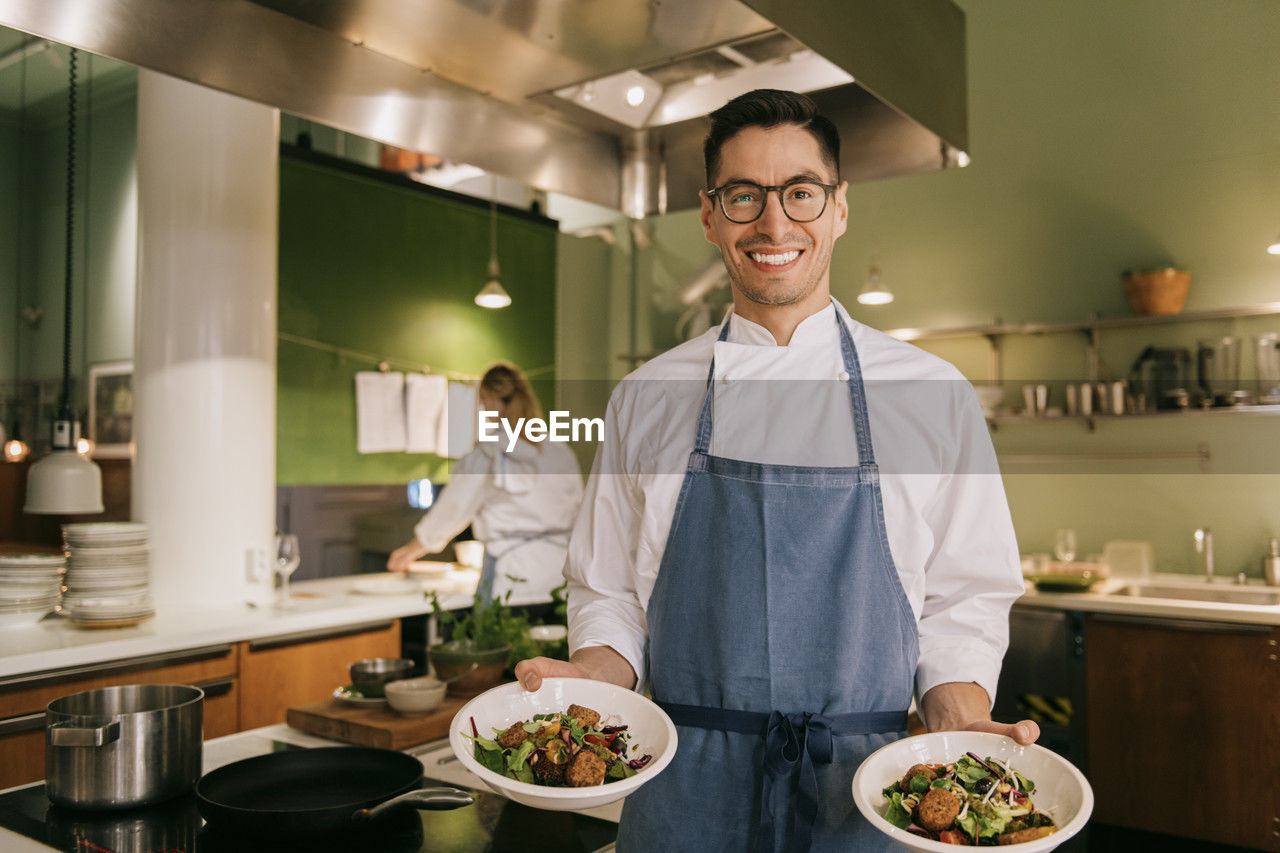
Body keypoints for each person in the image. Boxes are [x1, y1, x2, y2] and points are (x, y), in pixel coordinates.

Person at [515, 89, 1038, 852]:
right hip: (682, 791)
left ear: (839, 208)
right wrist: (595, 674)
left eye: (799, 192)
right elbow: (609, 591)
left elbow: (967, 594)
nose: (773, 223)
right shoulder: (645, 399)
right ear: (708, 214)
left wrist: (956, 712)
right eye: (743, 196)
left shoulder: (931, 396)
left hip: (871, 794)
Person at [387, 362, 583, 604]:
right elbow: (580, 515)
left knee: (498, 642)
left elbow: (452, 511)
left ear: (489, 401)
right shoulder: (560, 453)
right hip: (560, 579)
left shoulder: (487, 455)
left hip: (511, 579)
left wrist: (408, 553)